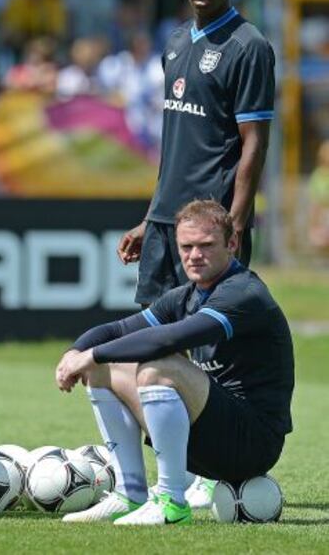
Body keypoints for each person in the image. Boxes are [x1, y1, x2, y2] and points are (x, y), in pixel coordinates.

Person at [55, 199, 294, 525]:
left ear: (233, 243)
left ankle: (171, 501)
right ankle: (130, 493)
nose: (195, 255)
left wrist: (90, 354)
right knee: (102, 369)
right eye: (187, 246)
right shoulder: (186, 296)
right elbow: (118, 329)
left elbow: (168, 340)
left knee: (158, 366)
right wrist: (76, 351)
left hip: (253, 444)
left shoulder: (244, 293)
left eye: (207, 245)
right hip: (207, 439)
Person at [117, 0, 275, 307]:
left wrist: (234, 225)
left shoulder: (248, 46)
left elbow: (255, 141)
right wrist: (151, 218)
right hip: (164, 222)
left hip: (210, 226)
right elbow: (177, 145)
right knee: (153, 348)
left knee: (210, 349)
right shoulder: (174, 42)